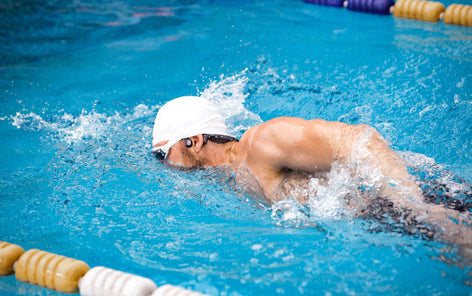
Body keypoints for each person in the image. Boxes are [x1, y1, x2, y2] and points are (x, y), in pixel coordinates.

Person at [153, 96, 472, 245]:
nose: (164, 165)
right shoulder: (234, 174)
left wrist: (414, 204)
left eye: (163, 154)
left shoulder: (262, 142)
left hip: (418, 200)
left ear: (193, 141)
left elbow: (361, 139)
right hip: (383, 212)